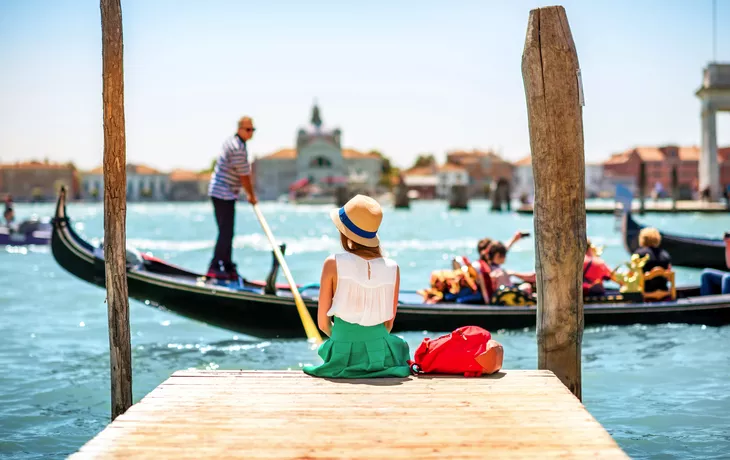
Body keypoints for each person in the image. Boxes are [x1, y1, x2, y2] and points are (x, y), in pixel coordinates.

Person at [303, 195, 411, 378]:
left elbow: (323, 324)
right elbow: (388, 323)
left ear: (344, 232)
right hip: (381, 354)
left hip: (342, 353)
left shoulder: (332, 263)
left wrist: (345, 340)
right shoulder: (393, 268)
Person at [206, 116, 259, 280]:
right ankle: (215, 267)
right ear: (239, 129)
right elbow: (244, 176)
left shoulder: (234, 143)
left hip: (222, 193)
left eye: (252, 130)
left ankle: (227, 266)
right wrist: (251, 196)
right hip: (223, 194)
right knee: (226, 232)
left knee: (226, 232)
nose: (250, 133)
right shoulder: (238, 148)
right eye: (248, 129)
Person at [632, 227, 672, 294]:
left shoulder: (638, 254)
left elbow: (633, 276)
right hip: (664, 292)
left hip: (645, 293)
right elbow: (669, 277)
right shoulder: (665, 255)